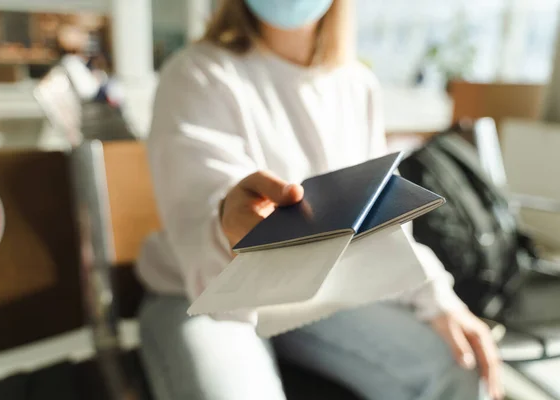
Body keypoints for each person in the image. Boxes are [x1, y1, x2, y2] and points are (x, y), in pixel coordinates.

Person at [136, 1, 503, 399]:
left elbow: (382, 223)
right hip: (202, 298)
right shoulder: (198, 73)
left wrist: (439, 299)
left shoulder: (356, 84)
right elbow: (199, 207)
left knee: (460, 368)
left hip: (320, 297)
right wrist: (229, 221)